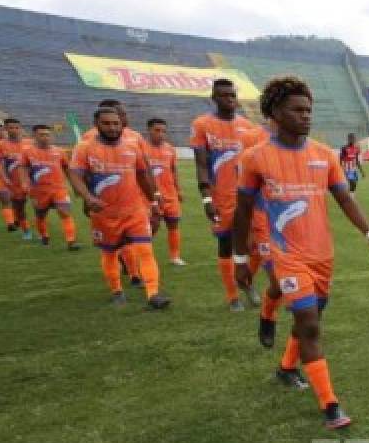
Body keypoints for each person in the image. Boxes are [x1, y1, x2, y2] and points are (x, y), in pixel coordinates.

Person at [234, 75, 369, 430]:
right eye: (297, 110)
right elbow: (242, 211)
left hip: (322, 255)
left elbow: (345, 197)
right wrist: (241, 259)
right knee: (309, 323)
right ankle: (330, 405)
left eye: (308, 110)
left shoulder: (323, 154)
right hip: (286, 256)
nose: (306, 116)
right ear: (275, 112)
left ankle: (287, 368)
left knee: (311, 317)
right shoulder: (255, 158)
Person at [67, 106, 170, 309]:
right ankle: (116, 290)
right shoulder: (85, 147)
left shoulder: (132, 145)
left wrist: (154, 199)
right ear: (97, 125)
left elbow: (142, 175)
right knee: (110, 253)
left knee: (146, 250)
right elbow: (75, 175)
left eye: (116, 123)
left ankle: (153, 293)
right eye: (107, 123)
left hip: (134, 210)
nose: (113, 128)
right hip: (104, 213)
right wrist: (88, 197)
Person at [191, 79, 268, 310]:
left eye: (233, 95)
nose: (230, 99)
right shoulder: (202, 124)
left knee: (257, 245)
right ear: (214, 98)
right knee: (226, 245)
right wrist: (206, 198)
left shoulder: (247, 126)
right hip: (222, 197)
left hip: (249, 196)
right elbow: (201, 164)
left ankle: (247, 282)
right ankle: (233, 296)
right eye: (224, 95)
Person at [22, 124, 79, 249]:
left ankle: (71, 241)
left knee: (65, 213)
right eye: (41, 135)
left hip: (59, 189)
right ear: (34, 136)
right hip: (39, 191)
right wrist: (25, 183)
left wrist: (75, 186)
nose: (45, 137)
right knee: (40, 215)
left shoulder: (59, 151)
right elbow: (24, 168)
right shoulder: (28, 152)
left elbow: (67, 169)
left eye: (47, 134)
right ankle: (44, 236)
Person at [144, 118, 185, 265]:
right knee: (151, 228)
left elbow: (173, 170)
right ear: (148, 130)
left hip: (170, 196)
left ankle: (175, 256)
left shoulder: (170, 149)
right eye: (157, 130)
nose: (161, 134)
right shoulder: (142, 148)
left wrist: (178, 190)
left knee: (173, 225)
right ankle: (141, 257)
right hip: (151, 197)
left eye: (163, 131)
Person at [0, 118, 33, 239]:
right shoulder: (1, 145)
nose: (14, 130)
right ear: (6, 129)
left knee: (39, 206)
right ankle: (26, 230)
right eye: (11, 128)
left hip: (32, 182)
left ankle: (43, 232)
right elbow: (1, 164)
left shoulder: (30, 143)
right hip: (15, 182)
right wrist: (5, 178)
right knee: (20, 207)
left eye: (16, 127)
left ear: (20, 128)